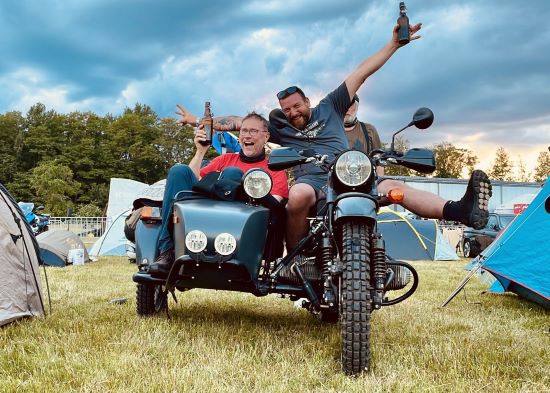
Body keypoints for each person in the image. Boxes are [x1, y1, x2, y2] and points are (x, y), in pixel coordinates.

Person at [176, 21, 491, 249]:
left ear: (307, 102)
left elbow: (362, 72)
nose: (292, 112)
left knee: (395, 187)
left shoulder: (331, 105)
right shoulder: (278, 124)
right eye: (287, 109)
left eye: (296, 106)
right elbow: (241, 124)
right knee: (297, 195)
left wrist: (393, 45)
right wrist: (199, 122)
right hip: (312, 181)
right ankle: (296, 255)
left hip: (348, 174)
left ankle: (460, 210)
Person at [148, 112, 289, 276]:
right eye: (243, 131)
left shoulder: (275, 170)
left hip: (243, 232)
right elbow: (192, 185)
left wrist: (243, 185)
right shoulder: (224, 159)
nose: (246, 136)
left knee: (232, 173)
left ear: (266, 137)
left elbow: (275, 204)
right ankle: (168, 251)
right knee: (179, 171)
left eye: (253, 131)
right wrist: (200, 152)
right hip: (205, 218)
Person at [344, 94, 493, 230]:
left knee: (395, 187)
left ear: (357, 105)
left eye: (351, 103)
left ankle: (460, 210)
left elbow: (379, 164)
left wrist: (381, 181)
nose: (347, 108)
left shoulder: (368, 130)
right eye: (343, 102)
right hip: (328, 188)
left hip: (366, 188)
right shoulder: (324, 128)